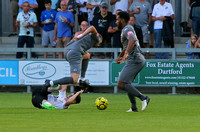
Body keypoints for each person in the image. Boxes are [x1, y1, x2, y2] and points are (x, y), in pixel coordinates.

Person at [45, 26, 102, 93]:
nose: (98, 45)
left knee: (87, 55)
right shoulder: (96, 38)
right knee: (74, 79)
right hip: (75, 52)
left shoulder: (86, 39)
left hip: (67, 51)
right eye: (100, 43)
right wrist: (81, 35)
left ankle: (82, 79)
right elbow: (92, 27)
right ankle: (51, 82)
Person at [115, 11, 150, 112]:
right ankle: (134, 107)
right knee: (127, 83)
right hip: (135, 59)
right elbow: (127, 45)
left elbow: (132, 39)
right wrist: (121, 56)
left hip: (135, 59)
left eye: (117, 19)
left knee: (121, 84)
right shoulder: (126, 29)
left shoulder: (127, 28)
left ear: (122, 20)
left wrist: (126, 53)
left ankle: (144, 98)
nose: (116, 21)